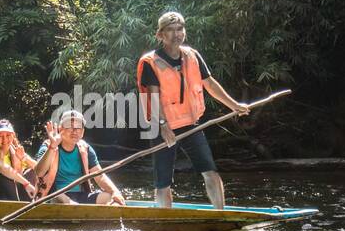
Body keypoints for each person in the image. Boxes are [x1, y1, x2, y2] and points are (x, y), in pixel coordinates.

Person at [136, 11, 248, 209]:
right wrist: (163, 126)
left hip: (190, 124)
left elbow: (210, 84)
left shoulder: (192, 56)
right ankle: (165, 220)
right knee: (163, 181)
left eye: (179, 29)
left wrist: (235, 106)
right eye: (170, 30)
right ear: (160, 35)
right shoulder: (150, 62)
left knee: (210, 171)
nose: (176, 34)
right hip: (164, 126)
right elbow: (153, 98)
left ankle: (220, 214)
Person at [31, 109, 125, 206]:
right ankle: (72, 206)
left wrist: (115, 192)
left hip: (79, 196)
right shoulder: (48, 146)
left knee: (109, 197)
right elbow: (39, 172)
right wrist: (52, 147)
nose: (74, 131)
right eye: (69, 126)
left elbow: (99, 176)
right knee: (60, 197)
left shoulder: (86, 149)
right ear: (60, 129)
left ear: (83, 132)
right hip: (53, 196)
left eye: (78, 127)